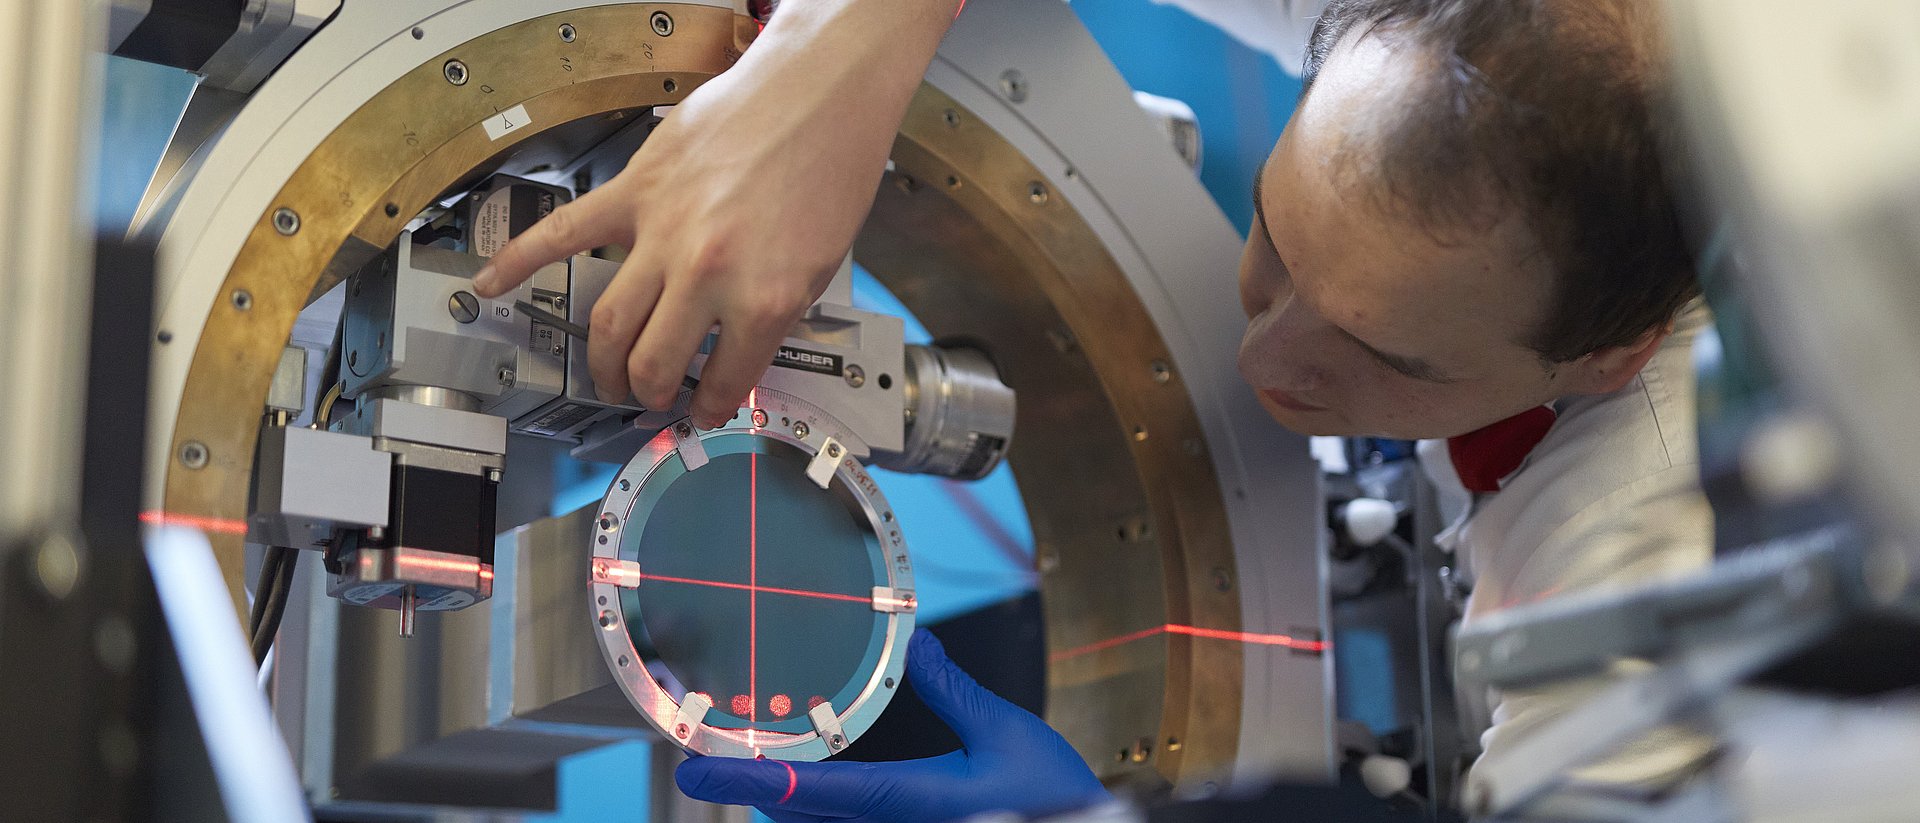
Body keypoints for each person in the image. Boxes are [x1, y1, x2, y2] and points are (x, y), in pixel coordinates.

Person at [474, 0, 1714, 818]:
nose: (1262, 358)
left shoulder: (1665, 540)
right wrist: (825, 67)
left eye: (1389, 358)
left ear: (1605, 359)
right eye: (1278, 238)